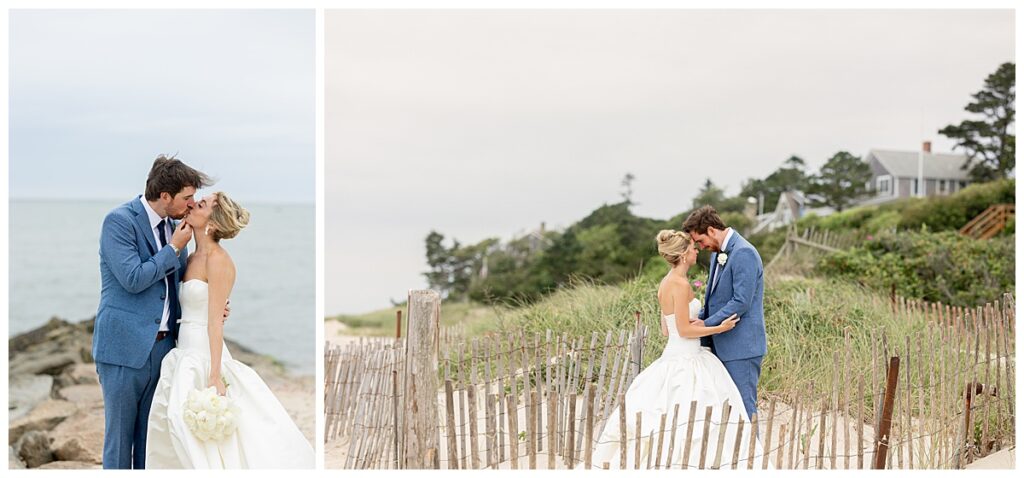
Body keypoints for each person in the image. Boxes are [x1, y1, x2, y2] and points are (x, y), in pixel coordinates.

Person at [145, 192, 313, 469]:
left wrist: (214, 374)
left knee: (193, 427)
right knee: (176, 424)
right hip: (181, 350)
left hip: (203, 353)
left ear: (212, 223)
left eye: (200, 205)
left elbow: (214, 322)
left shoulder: (219, 260)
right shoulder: (189, 255)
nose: (191, 205)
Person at [585, 229, 760, 469]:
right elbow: (685, 331)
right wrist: (719, 327)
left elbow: (667, 330)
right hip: (687, 357)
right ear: (684, 254)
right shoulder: (679, 284)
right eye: (692, 248)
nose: (696, 250)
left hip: (672, 354)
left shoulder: (665, 283)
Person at [93, 156, 220, 469]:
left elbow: (174, 286)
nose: (191, 205)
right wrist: (174, 248)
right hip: (123, 349)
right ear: (165, 196)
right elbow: (134, 279)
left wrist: (209, 302)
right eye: (187, 198)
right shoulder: (119, 221)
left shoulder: (174, 228)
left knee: (151, 442)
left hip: (165, 349)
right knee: (120, 441)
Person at [682, 205, 767, 420]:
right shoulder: (717, 255)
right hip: (721, 344)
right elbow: (714, 298)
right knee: (727, 408)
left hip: (741, 347)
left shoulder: (743, 252)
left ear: (711, 230)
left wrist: (707, 324)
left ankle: (751, 453)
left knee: (744, 406)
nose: (700, 247)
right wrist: (698, 320)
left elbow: (741, 301)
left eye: (700, 241)